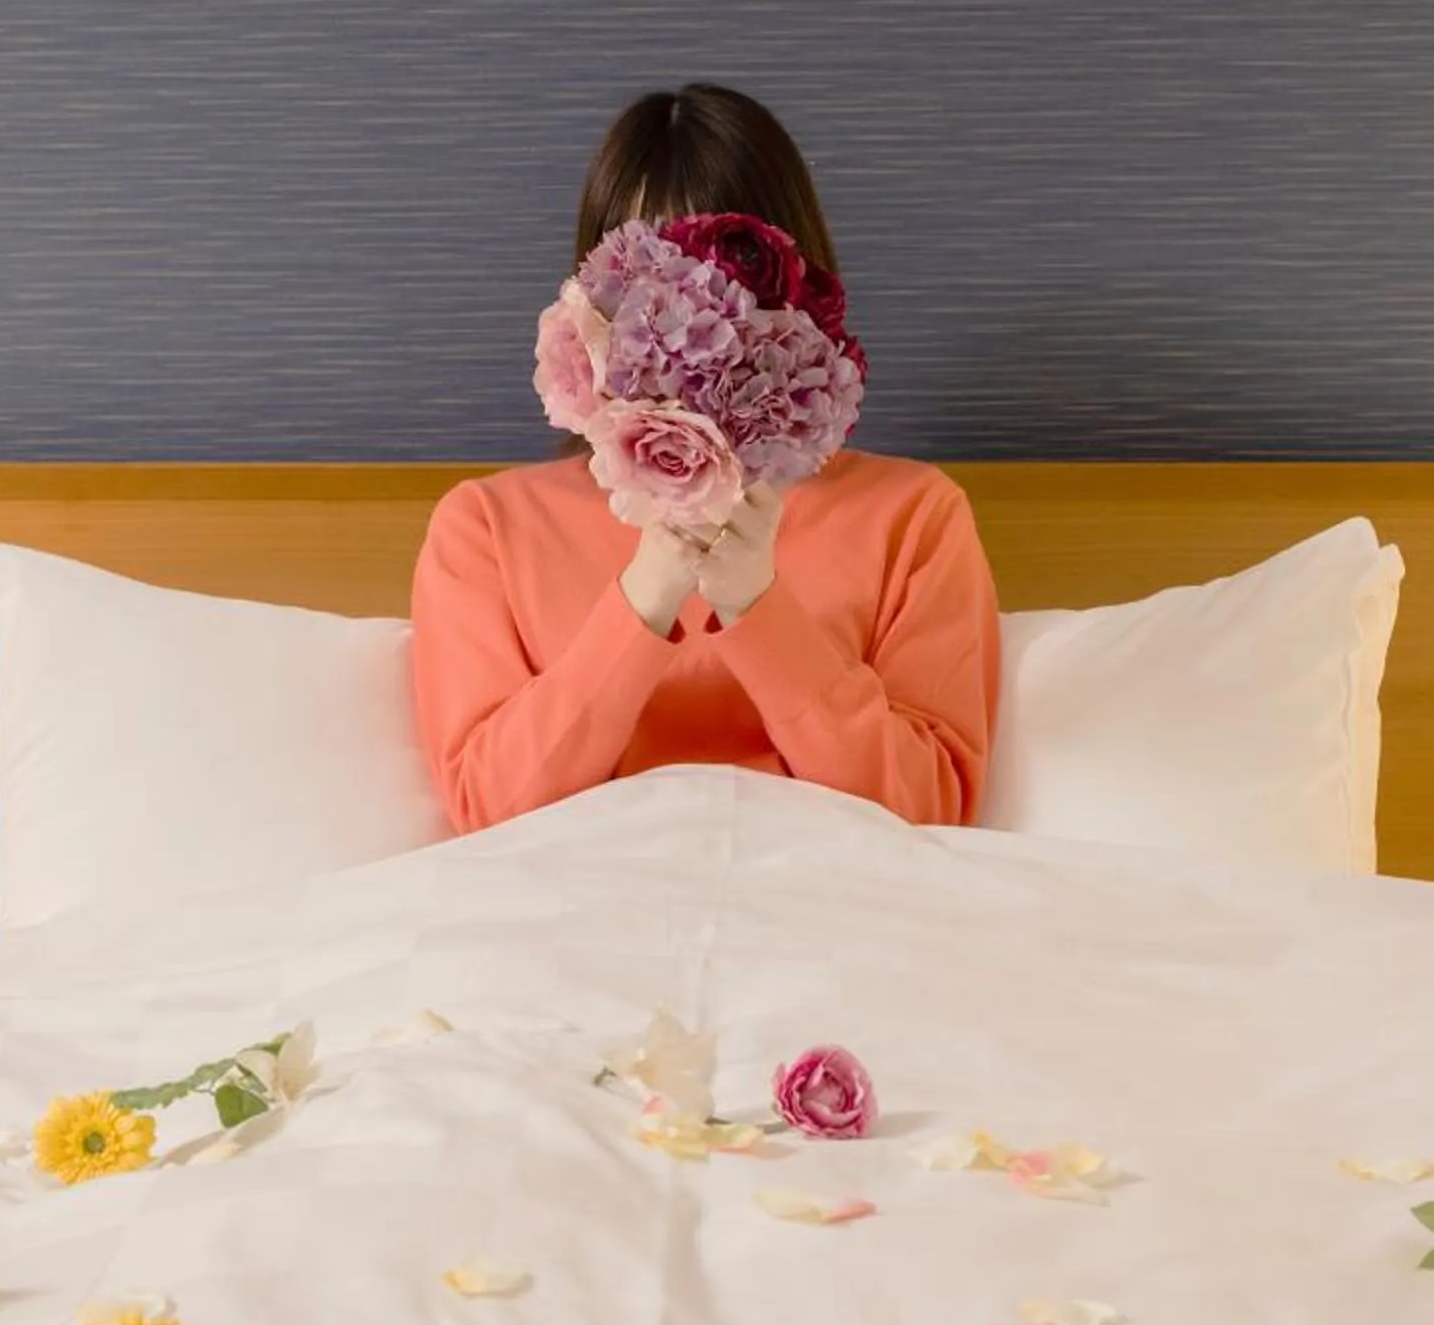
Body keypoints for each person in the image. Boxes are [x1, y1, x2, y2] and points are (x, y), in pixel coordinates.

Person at [410, 83, 1000, 833]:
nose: (684, 310)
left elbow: (927, 810)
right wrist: (649, 591)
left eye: (722, 273)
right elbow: (490, 811)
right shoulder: (488, 529)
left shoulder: (914, 518)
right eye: (645, 275)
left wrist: (756, 602)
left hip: (832, 915)